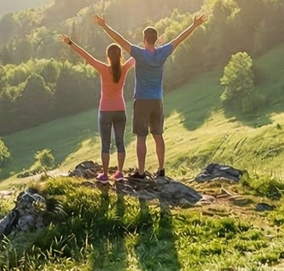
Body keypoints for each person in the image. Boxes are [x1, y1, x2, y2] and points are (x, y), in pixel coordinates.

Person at [93, 12, 208, 178]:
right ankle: (161, 169)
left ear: (144, 38)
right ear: (154, 39)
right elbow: (179, 39)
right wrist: (194, 25)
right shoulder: (162, 53)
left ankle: (140, 172)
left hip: (141, 101)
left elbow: (119, 41)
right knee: (158, 135)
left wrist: (104, 26)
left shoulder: (139, 54)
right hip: (157, 100)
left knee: (141, 137)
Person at [60, 34, 133, 183]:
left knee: (105, 144)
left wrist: (70, 43)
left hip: (105, 111)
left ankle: (105, 175)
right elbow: (138, 55)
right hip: (120, 110)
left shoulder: (103, 69)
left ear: (107, 56)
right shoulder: (124, 68)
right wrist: (155, 43)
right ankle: (119, 173)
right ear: (120, 56)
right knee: (120, 142)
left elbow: (87, 57)